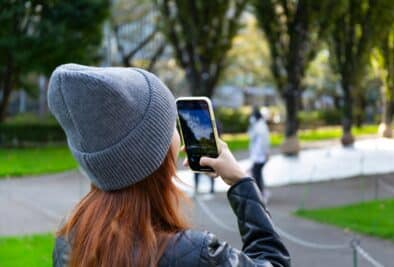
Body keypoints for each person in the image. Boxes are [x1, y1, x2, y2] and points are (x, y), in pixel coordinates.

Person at [49, 64, 290, 267]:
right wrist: (240, 182)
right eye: (170, 125)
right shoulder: (197, 253)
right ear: (155, 154)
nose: (178, 133)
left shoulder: (69, 244)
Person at [248, 106, 270, 195]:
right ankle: (261, 192)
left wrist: (266, 153)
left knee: (256, 173)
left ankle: (261, 192)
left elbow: (264, 142)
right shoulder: (258, 125)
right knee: (257, 173)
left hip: (260, 155)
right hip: (257, 155)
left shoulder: (260, 126)